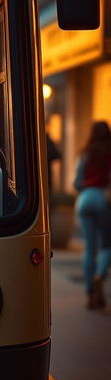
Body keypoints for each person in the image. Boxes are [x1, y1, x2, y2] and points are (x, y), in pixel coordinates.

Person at [73, 121, 111, 310]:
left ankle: (90, 291)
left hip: (85, 199)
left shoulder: (85, 153)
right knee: (107, 245)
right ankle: (100, 274)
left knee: (89, 248)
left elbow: (76, 182)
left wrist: (86, 187)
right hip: (104, 199)